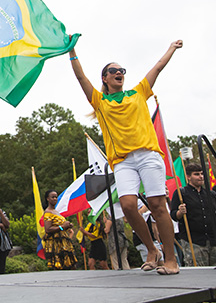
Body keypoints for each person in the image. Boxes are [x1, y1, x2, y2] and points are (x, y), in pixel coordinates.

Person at [69, 39, 182, 275]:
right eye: (113, 71)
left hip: (148, 154)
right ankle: (153, 250)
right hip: (122, 161)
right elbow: (81, 79)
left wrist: (171, 48)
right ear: (105, 78)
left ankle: (170, 260)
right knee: (128, 206)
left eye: (122, 71)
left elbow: (158, 67)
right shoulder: (100, 102)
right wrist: (71, 51)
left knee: (157, 205)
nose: (119, 73)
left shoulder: (138, 92)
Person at [170, 164, 216, 266]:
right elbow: (173, 215)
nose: (201, 176)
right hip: (193, 241)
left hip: (215, 240)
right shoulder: (181, 193)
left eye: (202, 174)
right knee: (198, 273)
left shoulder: (211, 194)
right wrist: (179, 212)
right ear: (188, 177)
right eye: (197, 174)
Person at [42, 190, 78, 270]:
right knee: (60, 265)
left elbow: (62, 226)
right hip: (56, 243)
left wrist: (68, 226)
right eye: (52, 197)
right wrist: (62, 227)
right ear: (48, 199)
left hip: (64, 241)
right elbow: (48, 229)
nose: (55, 199)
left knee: (70, 264)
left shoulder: (56, 211)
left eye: (56, 197)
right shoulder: (48, 212)